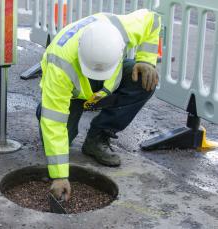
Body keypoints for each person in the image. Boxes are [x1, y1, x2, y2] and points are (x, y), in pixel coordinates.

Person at [36, 9, 161, 201]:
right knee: (54, 139)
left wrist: (146, 60)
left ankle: (98, 137)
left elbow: (152, 19)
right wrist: (59, 175)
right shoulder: (59, 65)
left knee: (145, 81)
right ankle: (43, 110)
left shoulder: (122, 29)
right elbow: (54, 123)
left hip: (107, 84)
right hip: (72, 94)